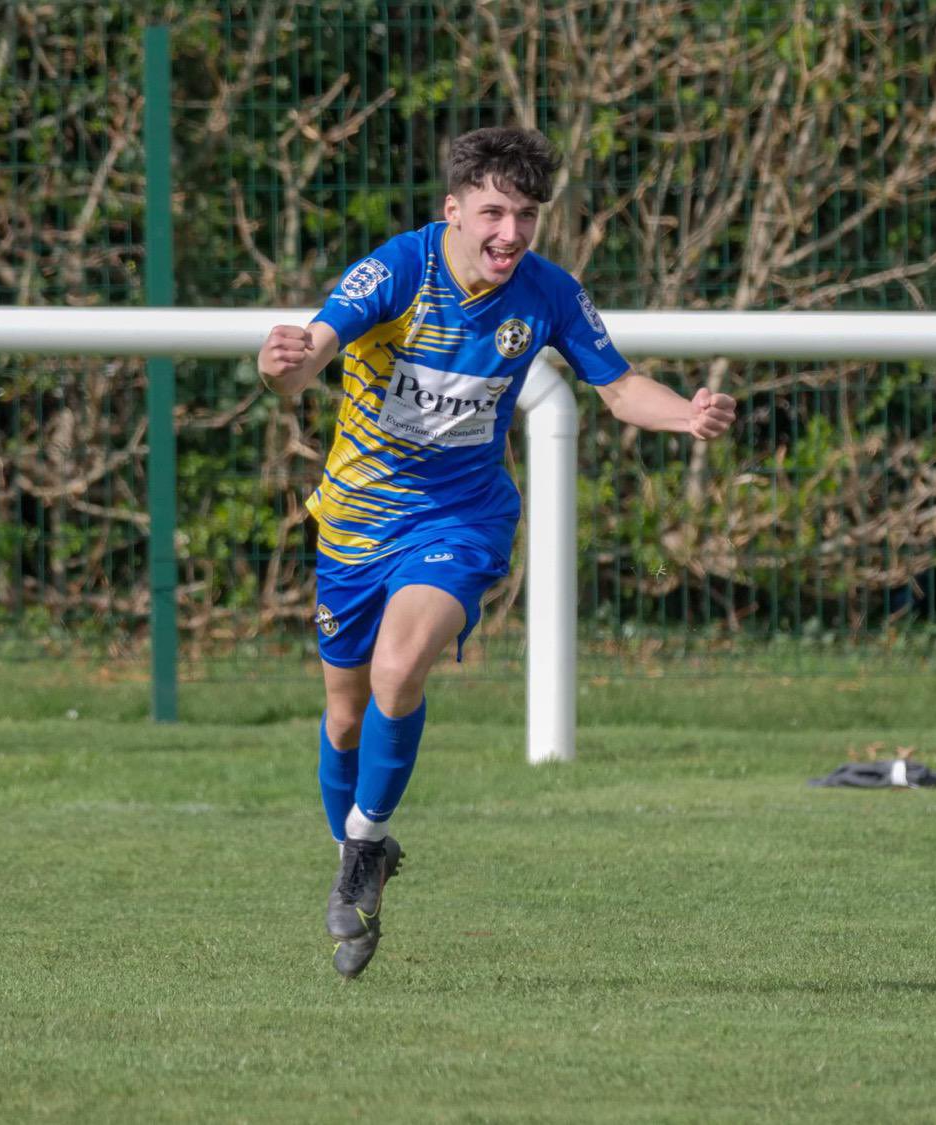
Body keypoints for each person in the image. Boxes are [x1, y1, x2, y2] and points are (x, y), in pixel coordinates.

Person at [257, 126, 736, 979]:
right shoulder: (398, 270)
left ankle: (365, 841)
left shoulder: (547, 293)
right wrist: (282, 367)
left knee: (398, 669)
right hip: (355, 526)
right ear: (453, 210)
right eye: (492, 213)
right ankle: (358, 859)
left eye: (525, 216)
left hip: (461, 521)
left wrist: (686, 415)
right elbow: (313, 352)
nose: (509, 233)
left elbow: (620, 387)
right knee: (344, 712)